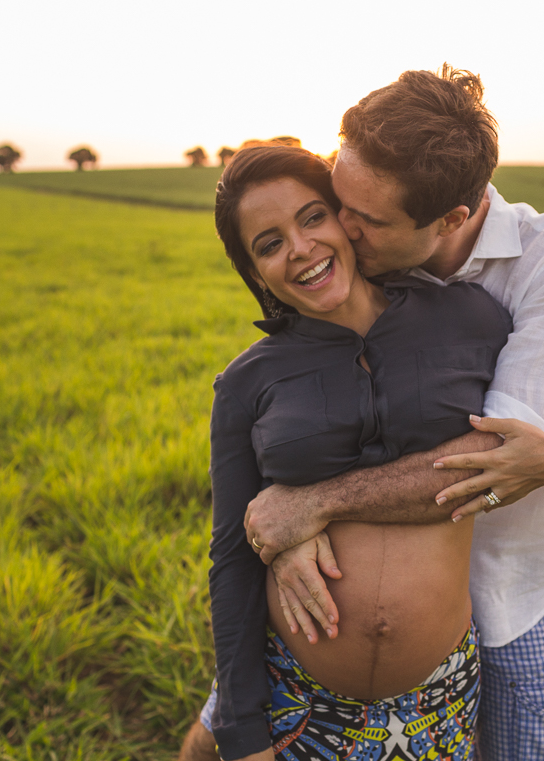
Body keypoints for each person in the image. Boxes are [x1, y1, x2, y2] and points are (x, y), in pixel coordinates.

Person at [184, 65, 544, 761]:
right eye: (335, 199)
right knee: (223, 727)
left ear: (448, 223)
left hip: (501, 575)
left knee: (535, 735)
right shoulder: (337, 273)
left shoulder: (532, 276)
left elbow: (492, 460)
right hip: (310, 644)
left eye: (359, 219)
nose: (338, 231)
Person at [203, 143, 515, 761]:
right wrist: (243, 735)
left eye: (312, 217)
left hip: (439, 696)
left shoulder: (470, 318)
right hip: (298, 697)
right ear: (254, 271)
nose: (299, 248)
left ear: (347, 218)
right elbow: (233, 561)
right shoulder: (246, 382)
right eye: (268, 244)